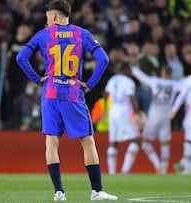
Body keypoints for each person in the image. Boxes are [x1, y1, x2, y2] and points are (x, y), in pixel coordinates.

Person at [16, 0, 117, 201]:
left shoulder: (44, 35)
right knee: (87, 142)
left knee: (51, 143)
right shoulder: (82, 34)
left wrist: (38, 79)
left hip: (51, 92)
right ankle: (97, 191)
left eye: (47, 17)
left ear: (53, 16)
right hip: (72, 93)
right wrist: (89, 83)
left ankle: (59, 192)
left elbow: (21, 57)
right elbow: (104, 59)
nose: (47, 21)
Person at [132, 65, 180, 174]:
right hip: (166, 116)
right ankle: (164, 169)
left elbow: (142, 77)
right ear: (171, 74)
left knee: (145, 142)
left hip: (154, 116)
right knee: (165, 143)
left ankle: (157, 163)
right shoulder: (175, 85)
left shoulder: (155, 81)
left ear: (162, 73)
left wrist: (134, 68)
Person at [104, 62, 141, 175]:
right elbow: (132, 99)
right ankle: (125, 169)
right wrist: (137, 114)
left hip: (113, 110)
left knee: (113, 142)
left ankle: (112, 172)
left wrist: (106, 110)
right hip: (124, 110)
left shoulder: (113, 79)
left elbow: (105, 94)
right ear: (127, 70)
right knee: (136, 140)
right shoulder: (129, 82)